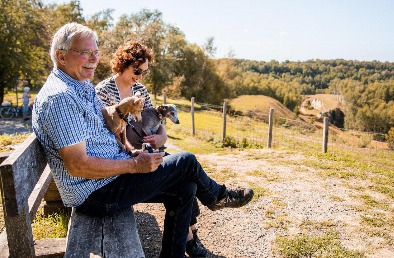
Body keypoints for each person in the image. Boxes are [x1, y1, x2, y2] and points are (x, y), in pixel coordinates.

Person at [32, 22, 253, 258]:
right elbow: (78, 165)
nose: (94, 59)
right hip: (94, 192)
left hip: (109, 175)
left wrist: (120, 110)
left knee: (185, 188)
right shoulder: (60, 98)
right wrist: (134, 165)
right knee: (186, 161)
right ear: (61, 56)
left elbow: (104, 120)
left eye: (96, 52)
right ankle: (218, 196)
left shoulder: (80, 84)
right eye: (85, 52)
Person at [96, 41, 207, 257]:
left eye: (144, 72)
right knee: (185, 172)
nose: (140, 76)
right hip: (125, 159)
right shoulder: (104, 90)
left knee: (185, 177)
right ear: (122, 64)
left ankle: (190, 233)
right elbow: (107, 134)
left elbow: (153, 123)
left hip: (145, 151)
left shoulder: (140, 89)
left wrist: (160, 136)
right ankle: (192, 233)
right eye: (137, 70)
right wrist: (131, 152)